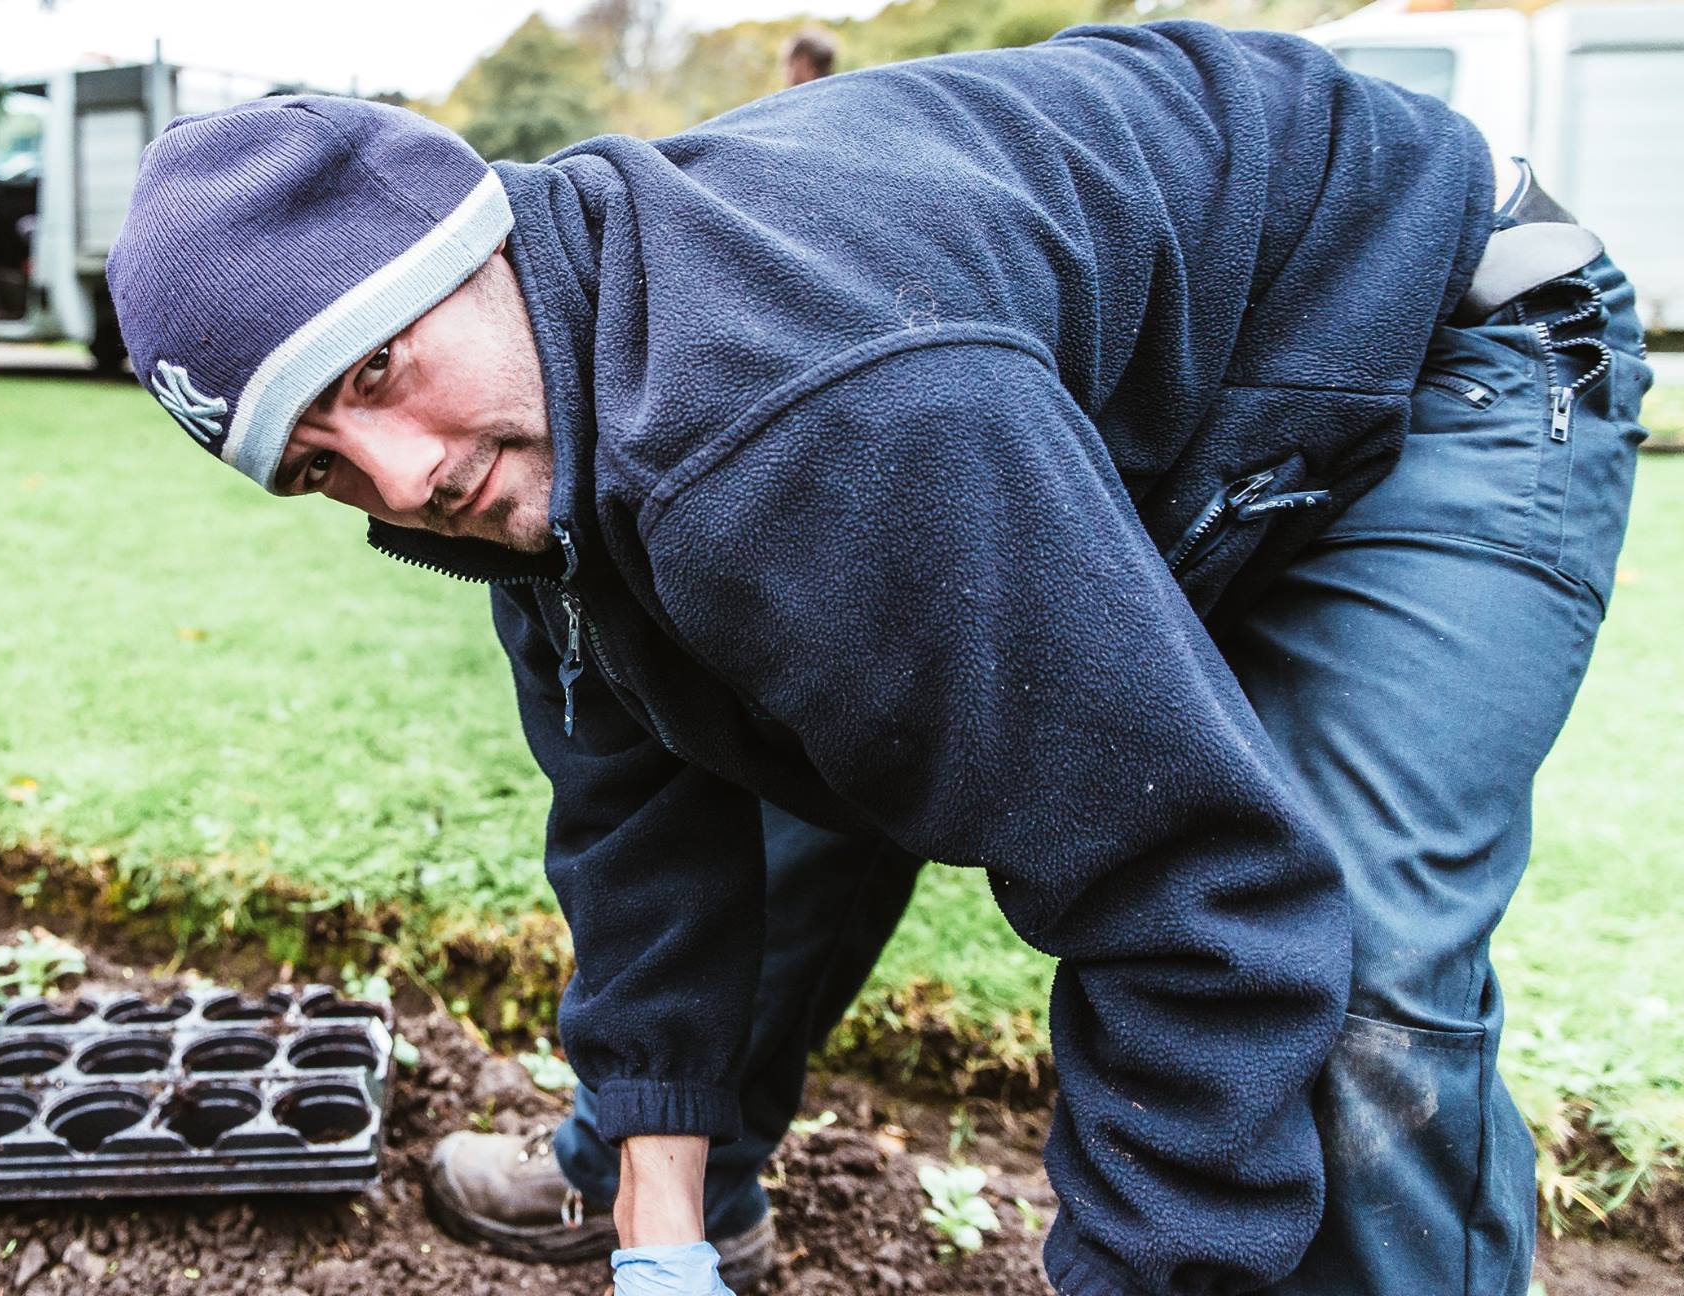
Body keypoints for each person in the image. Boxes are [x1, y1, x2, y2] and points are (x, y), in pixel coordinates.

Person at [105, 21, 1650, 1296]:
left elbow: (1192, 895)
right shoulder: (542, 417)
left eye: (379, 369)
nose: (403, 474)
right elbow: (642, 822)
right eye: (321, 465)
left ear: (468, 245)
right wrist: (662, 1216)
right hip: (1126, 407)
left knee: (1352, 971)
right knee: (774, 753)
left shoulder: (802, 412)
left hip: (1432, 329)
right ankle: (667, 1183)